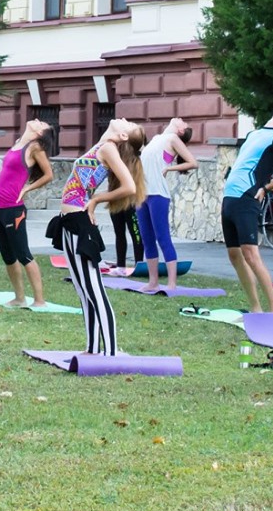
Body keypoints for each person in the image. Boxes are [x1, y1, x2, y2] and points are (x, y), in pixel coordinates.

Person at [46, 119, 147, 356]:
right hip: (69, 221)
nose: (123, 119)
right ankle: (92, 348)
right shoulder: (104, 145)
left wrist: (96, 200)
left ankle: (110, 352)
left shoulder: (108, 148)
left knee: (94, 289)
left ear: (123, 136)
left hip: (80, 222)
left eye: (128, 123)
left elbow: (130, 187)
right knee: (83, 289)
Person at [220, 110, 273, 313]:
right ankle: (255, 307)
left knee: (250, 254)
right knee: (234, 255)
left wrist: (265, 188)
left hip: (247, 197)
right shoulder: (254, 134)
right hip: (230, 196)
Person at [0, 119, 55, 307]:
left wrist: (26, 189)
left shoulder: (34, 147)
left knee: (23, 254)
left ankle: (39, 300)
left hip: (13, 209)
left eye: (41, 123)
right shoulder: (19, 143)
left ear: (40, 134)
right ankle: (19, 298)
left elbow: (49, 175)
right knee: (8, 256)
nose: (37, 120)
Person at [136, 118, 199, 291]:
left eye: (184, 123)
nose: (181, 120)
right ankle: (153, 281)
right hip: (142, 194)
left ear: (180, 131)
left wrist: (169, 169)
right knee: (147, 239)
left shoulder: (173, 139)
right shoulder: (157, 138)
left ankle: (172, 284)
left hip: (158, 195)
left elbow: (193, 163)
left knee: (163, 238)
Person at [106, 196, 142, 276]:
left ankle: (138, 265)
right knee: (119, 233)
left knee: (136, 234)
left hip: (131, 200)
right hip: (115, 200)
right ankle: (120, 266)